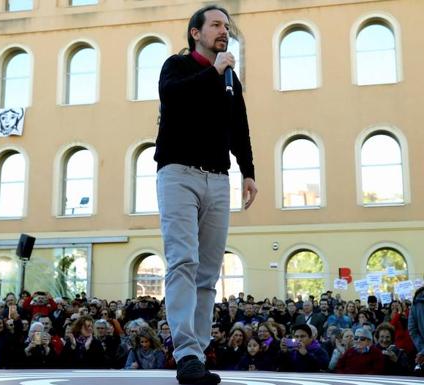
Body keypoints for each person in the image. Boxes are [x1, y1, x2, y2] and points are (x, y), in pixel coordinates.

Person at [155, 4, 257, 385]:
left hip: (218, 179)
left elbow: (239, 127)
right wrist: (212, 73)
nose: (223, 31)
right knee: (183, 260)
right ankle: (185, 354)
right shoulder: (177, 67)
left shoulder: (231, 79)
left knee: (209, 272)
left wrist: (248, 172)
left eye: (226, 26)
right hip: (178, 173)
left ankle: (196, 353)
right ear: (195, 33)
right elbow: (173, 98)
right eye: (215, 25)